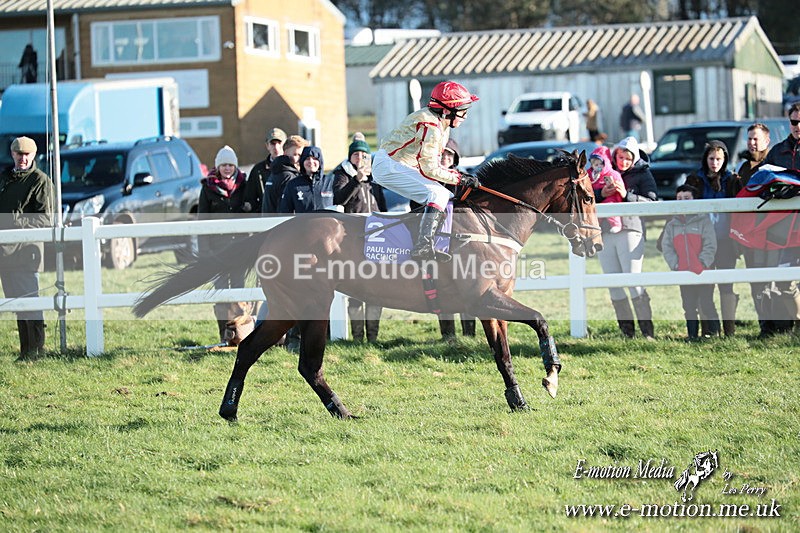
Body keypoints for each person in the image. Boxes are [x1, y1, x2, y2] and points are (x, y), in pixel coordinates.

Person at [372, 80, 480, 261]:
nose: (465, 116)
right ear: (447, 110)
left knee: (440, 194)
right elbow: (429, 168)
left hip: (397, 163)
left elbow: (430, 167)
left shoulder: (439, 124)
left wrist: (458, 176)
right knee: (438, 195)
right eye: (463, 111)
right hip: (389, 165)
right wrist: (459, 179)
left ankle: (426, 242)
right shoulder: (431, 126)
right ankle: (422, 246)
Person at [596, 136, 658, 339]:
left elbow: (651, 202)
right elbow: (587, 198)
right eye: (620, 157)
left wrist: (626, 195)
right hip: (605, 230)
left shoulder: (643, 173)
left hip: (631, 229)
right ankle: (627, 332)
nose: (622, 162)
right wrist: (601, 194)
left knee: (633, 280)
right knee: (613, 282)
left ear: (634, 159)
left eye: (627, 158)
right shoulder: (604, 171)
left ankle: (647, 331)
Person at [0, 137, 54, 359]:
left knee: (30, 303)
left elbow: (45, 220)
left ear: (34, 155)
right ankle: (26, 352)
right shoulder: (5, 178)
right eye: (19, 154)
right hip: (5, 253)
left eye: (27, 155)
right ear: (12, 154)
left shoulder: (40, 181)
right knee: (17, 303)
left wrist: (13, 221)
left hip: (26, 253)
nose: (23, 159)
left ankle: (36, 350)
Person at [331, 139, 386, 342]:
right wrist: (357, 180)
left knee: (376, 288)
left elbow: (382, 206)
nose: (360, 158)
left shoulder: (374, 178)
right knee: (356, 288)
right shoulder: (343, 174)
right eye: (356, 155)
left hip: (376, 239)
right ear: (350, 156)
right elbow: (339, 199)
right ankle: (357, 337)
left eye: (364, 155)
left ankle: (373, 337)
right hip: (353, 240)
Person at [685, 140, 740, 336]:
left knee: (726, 284)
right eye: (711, 158)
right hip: (702, 242)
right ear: (705, 159)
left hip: (725, 241)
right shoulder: (694, 179)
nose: (714, 162)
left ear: (724, 159)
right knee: (704, 284)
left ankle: (729, 329)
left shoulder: (732, 180)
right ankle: (709, 329)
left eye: (718, 159)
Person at [735, 123, 784, 337]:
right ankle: (765, 325)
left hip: (773, 230)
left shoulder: (772, 165)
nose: (752, 142)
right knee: (756, 280)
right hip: (749, 233)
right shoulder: (743, 168)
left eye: (756, 138)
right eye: (749, 138)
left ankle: (780, 325)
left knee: (773, 278)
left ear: (767, 140)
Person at [198, 145, 249, 342]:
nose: (227, 168)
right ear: (218, 166)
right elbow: (202, 220)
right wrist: (205, 252)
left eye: (230, 164)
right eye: (224, 165)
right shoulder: (208, 187)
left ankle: (239, 333)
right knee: (220, 291)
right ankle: (224, 335)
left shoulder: (244, 185)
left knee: (238, 289)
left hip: (240, 246)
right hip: (217, 248)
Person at [661, 184, 720, 340]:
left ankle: (715, 334)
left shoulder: (704, 221)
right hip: (683, 271)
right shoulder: (672, 225)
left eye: (686, 198)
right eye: (679, 198)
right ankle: (692, 335)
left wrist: (702, 263)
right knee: (688, 305)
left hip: (703, 269)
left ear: (695, 200)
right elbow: (666, 247)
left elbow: (710, 245)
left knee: (707, 302)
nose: (682, 202)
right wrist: (675, 264)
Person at [431, 139, 476, 338]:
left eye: (449, 155)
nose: (444, 158)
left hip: (460, 243)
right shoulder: (425, 179)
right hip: (436, 243)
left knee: (466, 288)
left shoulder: (462, 181)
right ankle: (448, 337)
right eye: (441, 154)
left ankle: (469, 336)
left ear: (454, 159)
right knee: (443, 288)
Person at [762, 102, 800, 333]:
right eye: (794, 122)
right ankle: (796, 324)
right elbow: (765, 181)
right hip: (785, 227)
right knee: (786, 280)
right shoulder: (777, 151)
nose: (798, 126)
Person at [242, 127, 286, 214]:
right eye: (273, 143)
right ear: (267, 145)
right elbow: (250, 199)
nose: (276, 147)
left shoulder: (294, 168)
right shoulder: (258, 170)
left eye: (279, 143)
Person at [279, 145, 333, 213]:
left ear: (320, 162)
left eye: (315, 158)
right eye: (307, 158)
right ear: (302, 162)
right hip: (303, 223)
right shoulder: (293, 185)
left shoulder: (330, 182)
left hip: (326, 223)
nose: (311, 161)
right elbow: (285, 211)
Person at [262, 135, 307, 214]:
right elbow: (285, 208)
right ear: (285, 153)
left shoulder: (277, 170)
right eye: (296, 154)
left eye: (301, 155)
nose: (299, 159)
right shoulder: (288, 176)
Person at [587, 145, 624, 234]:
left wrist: (617, 192)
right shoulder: (589, 175)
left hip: (611, 198)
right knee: (594, 212)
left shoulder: (613, 174)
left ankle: (616, 224)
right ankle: (595, 227)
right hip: (596, 200)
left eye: (601, 164)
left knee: (610, 207)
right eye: (596, 164)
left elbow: (620, 184)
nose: (598, 166)